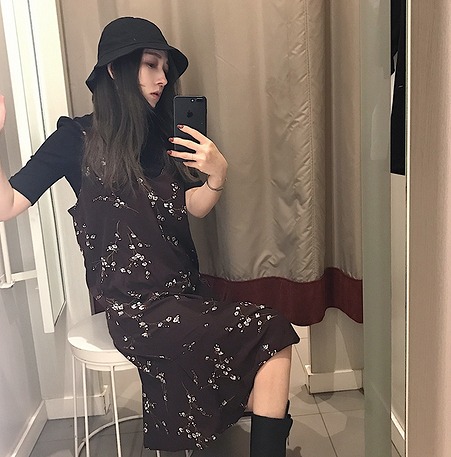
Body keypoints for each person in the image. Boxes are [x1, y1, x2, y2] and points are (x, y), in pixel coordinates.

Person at [0, 17, 299, 456]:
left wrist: (217, 176)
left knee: (272, 337)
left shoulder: (163, 136)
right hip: (133, 307)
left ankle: (252, 418)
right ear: (115, 70)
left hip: (182, 292)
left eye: (164, 68)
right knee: (269, 334)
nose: (162, 78)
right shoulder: (75, 139)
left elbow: (192, 205)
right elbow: (7, 204)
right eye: (150, 64)